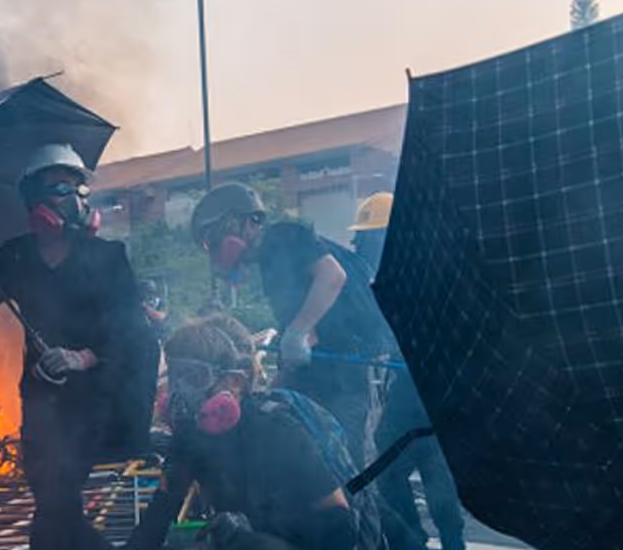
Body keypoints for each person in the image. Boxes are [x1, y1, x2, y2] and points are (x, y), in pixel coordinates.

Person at [0, 143, 158, 550]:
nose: (76, 199)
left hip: (94, 404)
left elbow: (133, 335)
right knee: (53, 515)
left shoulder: (107, 257)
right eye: (61, 189)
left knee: (55, 513)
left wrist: (82, 357)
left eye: (79, 189)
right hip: (41, 403)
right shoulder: (14, 257)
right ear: (35, 202)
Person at [125, 320, 384, 550]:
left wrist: (260, 540)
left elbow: (340, 526)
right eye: (176, 377)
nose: (182, 392)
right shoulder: (190, 437)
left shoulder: (277, 430)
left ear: (235, 382)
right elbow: (158, 516)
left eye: (194, 378)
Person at [189, 183, 392, 471]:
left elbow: (333, 277)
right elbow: (300, 326)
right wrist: (280, 381)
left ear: (242, 222)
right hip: (326, 373)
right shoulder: (272, 264)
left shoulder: (283, 237)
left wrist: (298, 331)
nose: (215, 250)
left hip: (349, 369)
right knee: (317, 457)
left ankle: (357, 515)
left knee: (344, 464)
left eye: (214, 239)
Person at [349, 193, 466, 550]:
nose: (364, 247)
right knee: (399, 465)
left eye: (370, 239)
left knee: (432, 468)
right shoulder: (385, 278)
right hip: (409, 389)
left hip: (430, 389)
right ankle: (419, 540)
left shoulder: (421, 271)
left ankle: (443, 542)